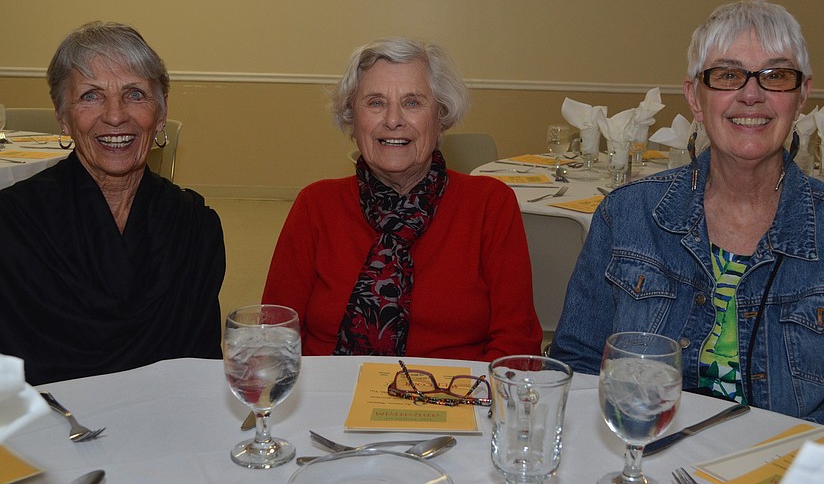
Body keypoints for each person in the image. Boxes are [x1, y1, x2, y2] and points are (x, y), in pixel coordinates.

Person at [550, 0, 824, 430]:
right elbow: (577, 367)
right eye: (728, 75)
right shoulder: (628, 215)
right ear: (695, 96)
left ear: (801, 96)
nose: (751, 94)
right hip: (645, 455)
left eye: (776, 76)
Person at [262, 37, 541, 360]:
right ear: (352, 120)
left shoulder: (490, 205)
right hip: (332, 397)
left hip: (455, 399)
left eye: (412, 102)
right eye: (376, 102)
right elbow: (273, 335)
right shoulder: (315, 206)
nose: (393, 120)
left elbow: (516, 345)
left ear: (441, 118)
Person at [0, 22, 225, 385]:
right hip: (48, 429)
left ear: (161, 114)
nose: (116, 115)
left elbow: (198, 370)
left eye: (135, 94)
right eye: (91, 95)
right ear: (63, 118)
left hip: (167, 425)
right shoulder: (11, 228)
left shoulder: (194, 229)